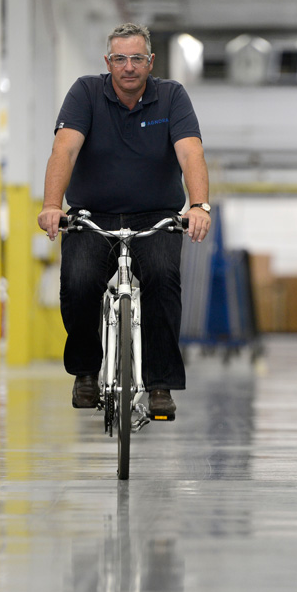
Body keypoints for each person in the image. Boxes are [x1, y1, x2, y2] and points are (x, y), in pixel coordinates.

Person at [37, 23, 211, 416]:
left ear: (150, 62)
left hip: (156, 216)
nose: (128, 66)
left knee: (163, 281)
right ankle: (84, 372)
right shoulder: (85, 92)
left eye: (136, 58)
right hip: (92, 216)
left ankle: (160, 385)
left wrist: (199, 205)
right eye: (120, 58)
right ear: (108, 62)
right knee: (78, 282)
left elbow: (191, 154)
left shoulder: (171, 97)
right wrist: (52, 204)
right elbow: (63, 151)